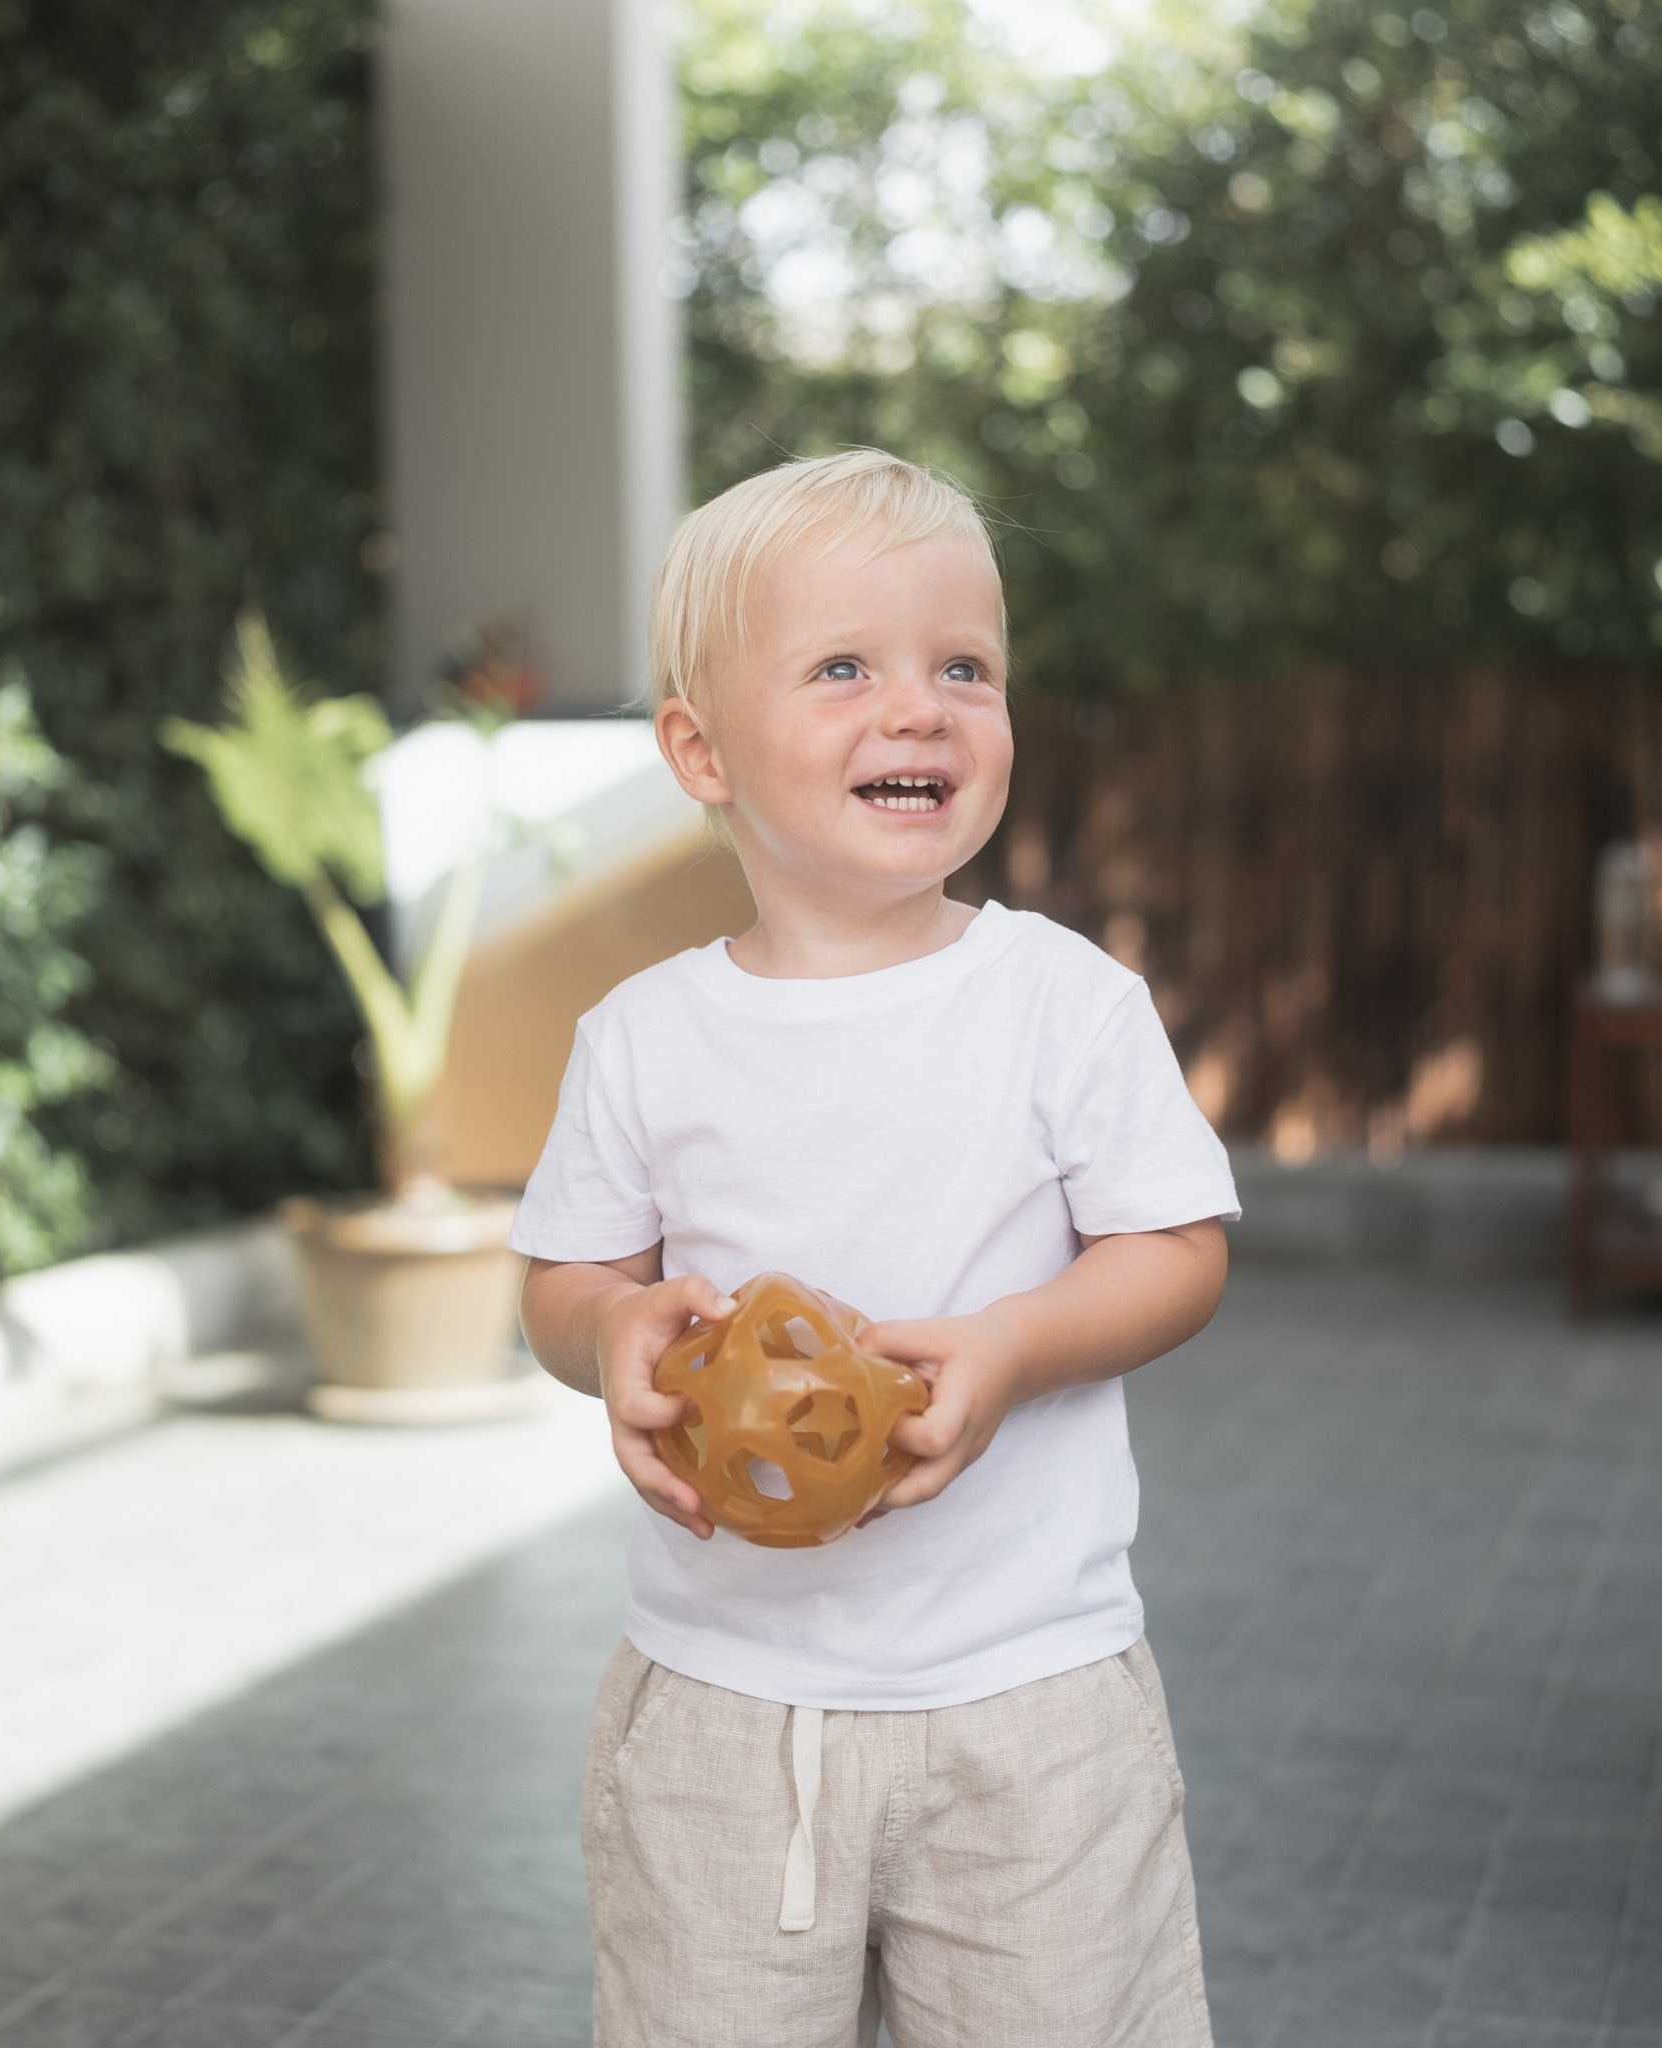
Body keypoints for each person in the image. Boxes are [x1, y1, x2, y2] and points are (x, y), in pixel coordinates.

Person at [507, 446, 1240, 2048]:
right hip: (718, 1710)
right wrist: (610, 1340)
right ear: (700, 751)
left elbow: (1178, 1248)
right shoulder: (642, 1038)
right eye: (844, 667)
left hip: (1032, 1708)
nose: (919, 709)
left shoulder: (1061, 1003)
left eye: (963, 668)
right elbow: (565, 1282)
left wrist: (1011, 1350)